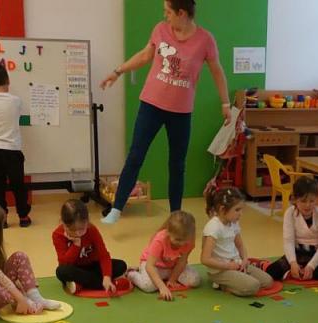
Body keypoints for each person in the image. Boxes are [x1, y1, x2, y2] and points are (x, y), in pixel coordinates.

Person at [97, 0, 230, 224]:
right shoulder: (160, 30)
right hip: (151, 105)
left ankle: (175, 214)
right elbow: (144, 56)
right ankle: (117, 208)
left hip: (181, 112)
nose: (165, 16)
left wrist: (225, 104)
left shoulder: (205, 40)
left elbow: (217, 72)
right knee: (136, 155)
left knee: (177, 164)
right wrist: (118, 71)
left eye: (168, 12)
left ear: (182, 13)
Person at [0, 202, 60, 315]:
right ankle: (25, 303)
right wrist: (21, 299)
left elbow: (1, 272)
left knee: (20, 256)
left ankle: (36, 298)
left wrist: (20, 289)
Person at [265, 177, 318, 284]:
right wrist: (293, 263)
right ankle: (297, 271)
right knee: (270, 272)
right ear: (295, 199)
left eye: (312, 201)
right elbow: (288, 242)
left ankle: (303, 272)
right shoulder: (290, 213)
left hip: (316, 257)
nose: (308, 205)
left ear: (317, 199)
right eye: (303, 201)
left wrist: (311, 266)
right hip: (296, 255)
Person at [0, 62, 31, 227]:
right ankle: (23, 217)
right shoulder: (16, 101)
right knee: (18, 185)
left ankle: (1, 219)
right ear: (8, 80)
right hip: (11, 150)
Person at [202, 187, 272, 296]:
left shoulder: (233, 222)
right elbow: (205, 259)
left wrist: (245, 259)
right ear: (222, 209)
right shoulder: (213, 227)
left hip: (236, 265)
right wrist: (228, 266)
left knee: (268, 282)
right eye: (237, 210)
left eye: (241, 210)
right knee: (253, 286)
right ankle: (221, 284)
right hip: (220, 271)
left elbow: (240, 245)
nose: (241, 214)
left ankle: (236, 280)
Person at [52, 199, 128, 294]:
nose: (78, 233)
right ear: (64, 224)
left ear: (87, 222)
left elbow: (103, 255)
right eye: (72, 230)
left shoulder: (92, 229)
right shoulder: (58, 234)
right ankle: (99, 283)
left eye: (81, 229)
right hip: (75, 268)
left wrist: (106, 276)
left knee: (121, 265)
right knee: (61, 271)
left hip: (92, 266)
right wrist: (76, 245)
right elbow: (64, 262)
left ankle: (83, 284)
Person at [127, 210, 202, 300]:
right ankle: (131, 274)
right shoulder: (160, 239)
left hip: (172, 267)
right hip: (153, 266)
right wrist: (162, 287)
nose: (182, 243)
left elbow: (182, 262)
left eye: (184, 240)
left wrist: (172, 280)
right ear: (168, 232)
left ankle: (165, 277)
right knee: (148, 286)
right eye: (178, 240)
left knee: (195, 280)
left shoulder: (188, 241)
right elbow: (150, 266)